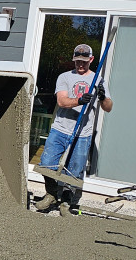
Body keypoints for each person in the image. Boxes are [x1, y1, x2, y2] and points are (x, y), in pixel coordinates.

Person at [34, 42, 113, 216]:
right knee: (47, 164)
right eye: (77, 61)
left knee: (75, 171)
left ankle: (66, 203)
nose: (80, 64)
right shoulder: (64, 77)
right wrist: (79, 101)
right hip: (60, 129)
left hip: (82, 133)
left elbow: (108, 107)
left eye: (84, 61)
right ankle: (52, 194)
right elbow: (62, 101)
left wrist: (102, 96)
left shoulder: (98, 80)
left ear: (91, 59)